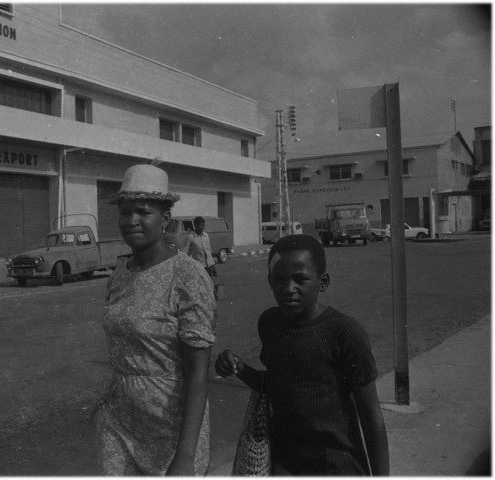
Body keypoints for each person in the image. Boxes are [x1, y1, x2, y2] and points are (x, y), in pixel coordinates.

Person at [215, 234, 389, 475]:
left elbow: (370, 416)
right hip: (285, 462)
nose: (289, 289)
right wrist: (239, 368)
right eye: (279, 279)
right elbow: (278, 385)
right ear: (269, 281)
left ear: (323, 282)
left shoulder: (345, 332)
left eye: (301, 279)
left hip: (336, 464)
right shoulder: (270, 323)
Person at [94, 164, 217, 476]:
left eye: (143, 211)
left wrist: (185, 457)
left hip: (171, 431)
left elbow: (198, 373)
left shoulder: (187, 275)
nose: (131, 220)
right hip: (120, 424)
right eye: (124, 212)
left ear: (166, 219)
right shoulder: (119, 275)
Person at [188, 217, 219, 299]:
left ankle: (212, 297)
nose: (202, 227)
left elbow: (209, 250)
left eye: (203, 226)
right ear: (195, 225)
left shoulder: (206, 236)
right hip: (198, 265)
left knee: (210, 282)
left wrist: (213, 264)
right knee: (200, 284)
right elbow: (186, 253)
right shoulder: (190, 237)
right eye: (200, 225)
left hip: (209, 264)